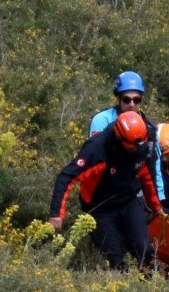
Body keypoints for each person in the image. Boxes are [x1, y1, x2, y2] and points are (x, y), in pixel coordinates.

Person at [49, 110, 161, 271]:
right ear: (119, 137)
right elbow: (66, 177)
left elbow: (147, 175)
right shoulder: (96, 149)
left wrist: (156, 207)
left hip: (128, 201)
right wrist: (56, 214)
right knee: (116, 259)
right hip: (100, 208)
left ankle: (150, 278)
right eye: (131, 148)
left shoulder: (140, 145)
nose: (136, 150)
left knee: (145, 250)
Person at [88, 71, 165, 207]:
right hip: (108, 194)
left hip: (138, 195)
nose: (131, 104)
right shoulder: (102, 120)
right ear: (119, 99)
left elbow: (154, 163)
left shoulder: (150, 128)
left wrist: (159, 196)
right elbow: (95, 158)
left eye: (136, 100)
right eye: (126, 99)